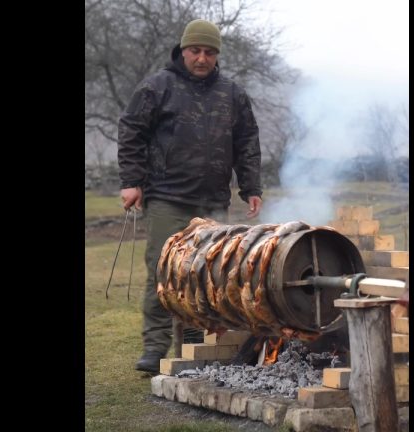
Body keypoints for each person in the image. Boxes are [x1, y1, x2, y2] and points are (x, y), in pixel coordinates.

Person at [116, 19, 263, 374]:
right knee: (163, 272)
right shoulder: (157, 87)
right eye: (195, 51)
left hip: (213, 200)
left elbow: (247, 142)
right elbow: (131, 130)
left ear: (217, 56)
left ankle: (194, 346)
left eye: (209, 52)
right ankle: (154, 347)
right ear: (183, 51)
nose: (202, 58)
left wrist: (251, 187)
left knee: (205, 275)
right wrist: (132, 181)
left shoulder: (232, 94)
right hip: (167, 197)